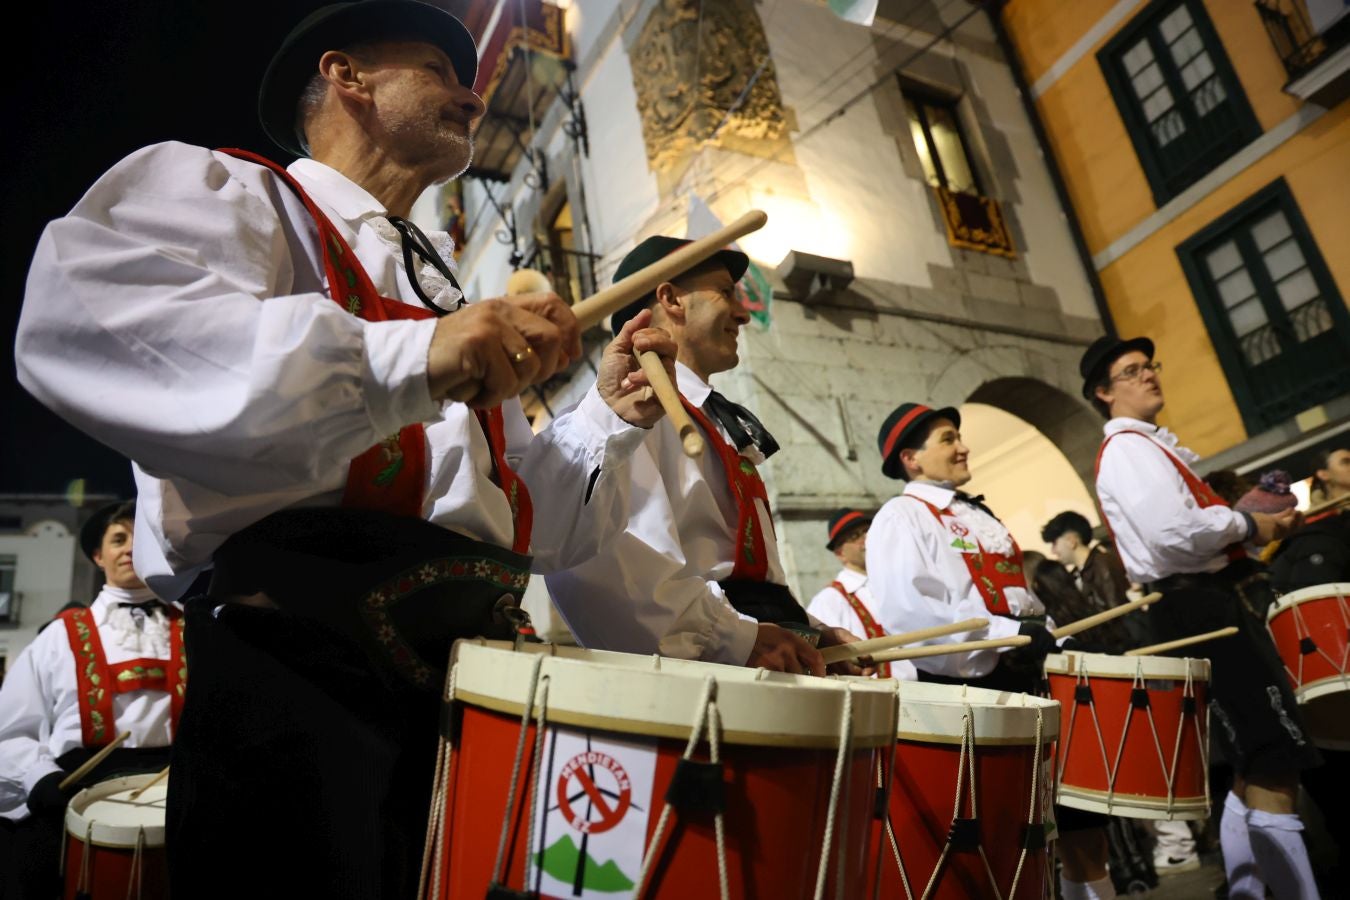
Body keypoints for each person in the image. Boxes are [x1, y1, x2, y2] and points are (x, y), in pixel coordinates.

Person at [14, 3, 679, 897]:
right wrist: (410, 356)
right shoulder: (237, 195)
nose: (473, 99)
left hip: (471, 696)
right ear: (348, 77)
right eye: (441, 73)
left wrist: (607, 416)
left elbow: (522, 523)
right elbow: (75, 319)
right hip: (296, 691)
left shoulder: (444, 293)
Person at [546, 236, 860, 675]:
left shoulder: (716, 418)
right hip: (708, 672)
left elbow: (738, 572)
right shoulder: (623, 414)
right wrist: (734, 639)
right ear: (671, 299)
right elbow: (614, 566)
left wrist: (809, 631)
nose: (743, 313)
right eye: (726, 293)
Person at [1084, 335, 1320, 900]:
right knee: (1272, 758)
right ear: (1103, 392)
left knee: (1249, 763)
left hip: (1200, 600)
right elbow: (1171, 536)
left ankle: (1247, 892)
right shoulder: (1129, 450)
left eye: (1150, 366)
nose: (1148, 376)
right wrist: (1247, 526)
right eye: (1131, 371)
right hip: (1196, 603)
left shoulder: (1144, 447)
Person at [868, 402, 1117, 900]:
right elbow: (911, 617)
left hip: (1026, 675)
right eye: (947, 438)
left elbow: (1016, 598)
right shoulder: (900, 517)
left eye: (958, 435)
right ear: (911, 458)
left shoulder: (975, 511)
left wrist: (1054, 637)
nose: (962, 446)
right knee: (1011, 841)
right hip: (971, 691)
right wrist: (1006, 634)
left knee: (1079, 826)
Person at [0, 502, 177, 899]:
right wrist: (40, 779)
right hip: (73, 791)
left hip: (176, 791)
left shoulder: (195, 627)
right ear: (98, 557)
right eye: (118, 539)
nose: (131, 548)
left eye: (142, 540)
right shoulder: (56, 636)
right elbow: (9, 732)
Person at [806, 509, 916, 680]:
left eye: (868, 531)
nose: (866, 539)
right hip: (874, 698)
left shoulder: (899, 581)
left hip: (926, 688)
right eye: (856, 536)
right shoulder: (828, 600)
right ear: (840, 553)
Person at [1040, 511, 1147, 645]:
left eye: (1055, 543)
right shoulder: (1080, 571)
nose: (1053, 551)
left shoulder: (1102, 563)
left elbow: (1117, 612)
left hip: (1129, 642)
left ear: (1071, 540)